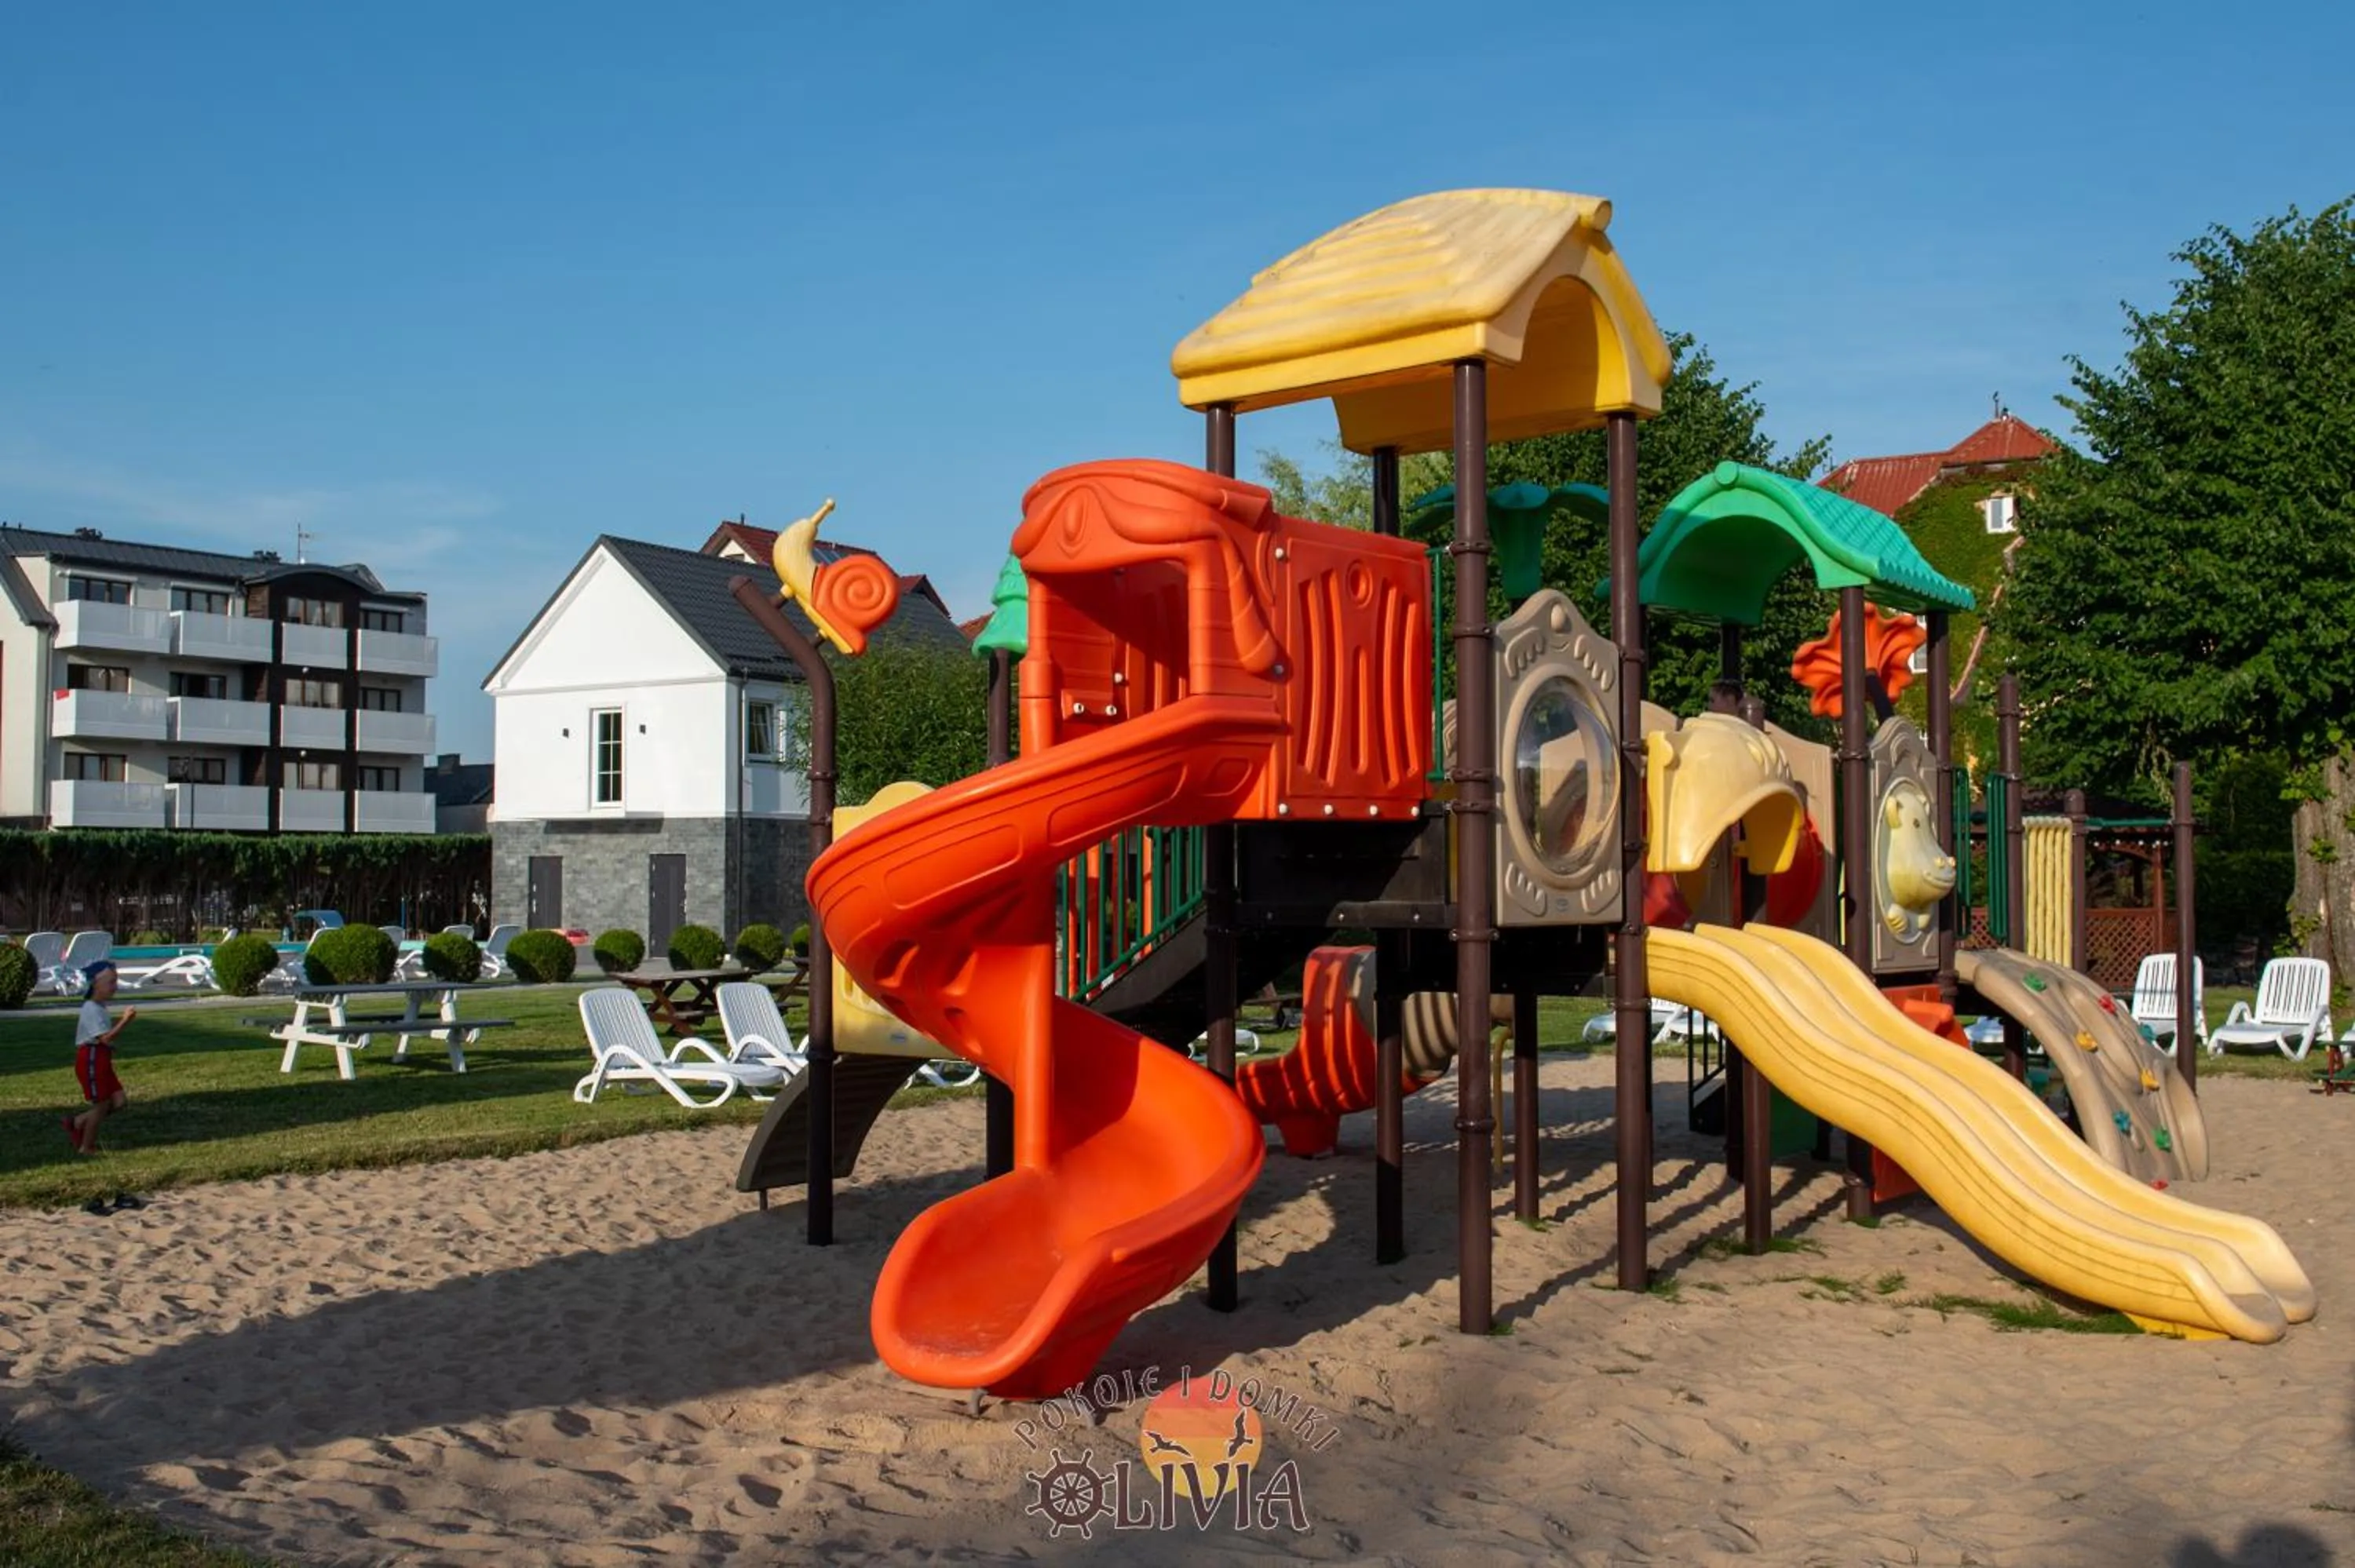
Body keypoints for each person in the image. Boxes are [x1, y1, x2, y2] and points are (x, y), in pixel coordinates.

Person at [64, 961, 136, 1157]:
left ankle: (79, 1122)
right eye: (111, 982)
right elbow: (104, 1037)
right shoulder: (91, 1008)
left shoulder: (99, 1006)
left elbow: (101, 1039)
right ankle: (86, 1147)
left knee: (119, 1101)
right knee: (101, 1104)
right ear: (96, 983)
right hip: (91, 1060)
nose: (115, 987)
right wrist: (125, 1020)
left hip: (101, 1058)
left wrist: (109, 1047)